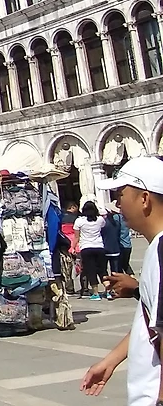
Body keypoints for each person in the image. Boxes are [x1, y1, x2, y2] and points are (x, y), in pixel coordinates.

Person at [80, 156, 163, 401]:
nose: (117, 203)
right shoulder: (155, 249)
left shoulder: (161, 251)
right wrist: (111, 360)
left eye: (121, 195)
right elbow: (150, 321)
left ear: (144, 199)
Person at [74, 201, 109, 301]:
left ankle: (96, 293)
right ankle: (108, 291)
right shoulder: (100, 220)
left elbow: (76, 237)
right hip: (99, 247)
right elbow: (103, 228)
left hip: (86, 248)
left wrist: (73, 247)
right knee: (103, 270)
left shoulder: (79, 221)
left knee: (91, 270)